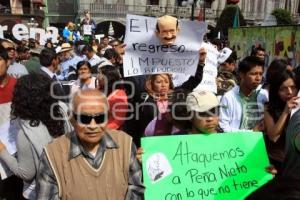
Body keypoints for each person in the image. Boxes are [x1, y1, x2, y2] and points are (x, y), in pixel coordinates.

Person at [36, 89, 144, 199]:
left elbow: (137, 188)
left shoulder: (125, 143)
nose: (93, 126)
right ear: (71, 119)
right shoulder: (52, 154)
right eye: (84, 119)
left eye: (100, 118)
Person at [0, 73, 71, 200]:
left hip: (40, 193)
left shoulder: (25, 133)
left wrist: (2, 151)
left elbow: (26, 173)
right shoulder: (62, 108)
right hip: (68, 182)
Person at [219, 56, 268, 132]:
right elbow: (223, 127)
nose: (258, 78)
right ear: (242, 75)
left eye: (261, 74)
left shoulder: (263, 95)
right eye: (254, 74)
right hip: (237, 142)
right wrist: (251, 132)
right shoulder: (229, 97)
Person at [264, 69, 298, 175]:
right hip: (276, 164)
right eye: (283, 89)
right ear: (276, 91)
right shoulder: (268, 108)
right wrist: (285, 112)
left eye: (293, 87)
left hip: (294, 164)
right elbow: (273, 136)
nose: (289, 92)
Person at [97, 65, 128, 130]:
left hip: (110, 133)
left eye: (99, 74)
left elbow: (118, 121)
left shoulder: (119, 95)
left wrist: (103, 130)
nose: (97, 77)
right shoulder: (99, 90)